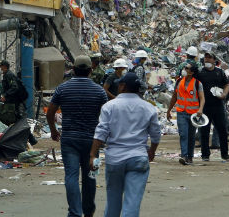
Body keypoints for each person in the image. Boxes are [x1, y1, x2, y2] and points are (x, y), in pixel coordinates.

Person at [90, 73, 161, 217]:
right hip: (138, 157)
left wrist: (92, 154)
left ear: (122, 86)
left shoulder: (110, 106)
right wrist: (152, 151)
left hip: (115, 158)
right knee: (133, 201)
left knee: (113, 199)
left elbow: (101, 132)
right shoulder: (148, 108)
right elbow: (155, 134)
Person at [46, 55, 108, 217]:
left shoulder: (62, 88)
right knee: (91, 176)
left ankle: (74, 212)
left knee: (71, 176)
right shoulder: (99, 91)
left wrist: (53, 130)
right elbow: (107, 116)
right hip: (93, 141)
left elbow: (51, 112)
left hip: (69, 139)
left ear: (73, 70)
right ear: (90, 70)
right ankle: (88, 211)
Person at [166, 63, 205, 166]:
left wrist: (200, 109)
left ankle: (190, 157)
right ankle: (184, 155)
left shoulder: (197, 84)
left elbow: (202, 98)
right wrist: (169, 110)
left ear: (192, 72)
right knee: (183, 134)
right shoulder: (179, 82)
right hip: (181, 112)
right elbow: (174, 96)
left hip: (193, 114)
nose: (184, 69)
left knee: (191, 136)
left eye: (187, 68)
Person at [196, 52, 229, 161]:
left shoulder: (219, 72)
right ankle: (205, 154)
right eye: (205, 58)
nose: (207, 60)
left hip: (218, 105)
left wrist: (224, 94)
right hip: (204, 106)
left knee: (222, 130)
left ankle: (225, 154)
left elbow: (226, 85)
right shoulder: (200, 72)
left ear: (214, 60)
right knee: (204, 131)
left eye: (209, 58)